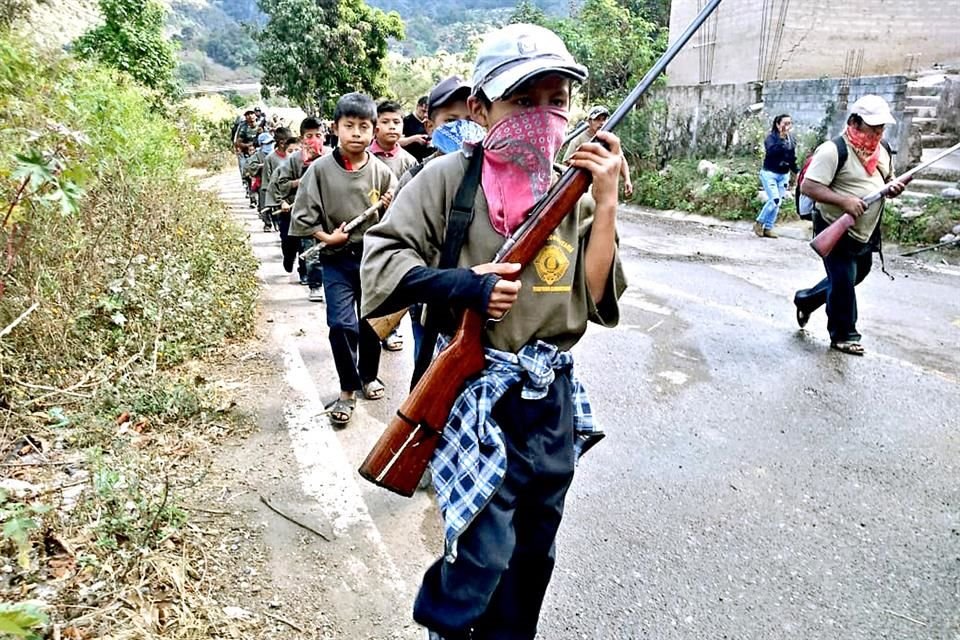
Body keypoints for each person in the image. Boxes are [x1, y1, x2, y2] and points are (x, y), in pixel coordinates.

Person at [360, 23, 626, 640]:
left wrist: (607, 200)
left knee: (535, 554)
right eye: (522, 101)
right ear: (480, 108)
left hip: (550, 399)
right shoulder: (448, 178)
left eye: (555, 101)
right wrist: (466, 286)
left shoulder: (574, 189)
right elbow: (381, 264)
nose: (542, 117)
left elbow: (594, 295)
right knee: (482, 555)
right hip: (477, 392)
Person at [290, 93, 397, 426]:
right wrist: (327, 237)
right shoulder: (319, 171)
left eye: (364, 127)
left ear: (373, 130)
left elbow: (399, 218)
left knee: (371, 323)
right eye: (348, 126)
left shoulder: (382, 172)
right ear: (335, 128)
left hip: (372, 260)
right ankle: (348, 388)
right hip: (337, 259)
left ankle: (369, 376)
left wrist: (392, 201)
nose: (356, 133)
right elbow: (304, 218)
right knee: (341, 324)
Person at [793, 95, 904, 356]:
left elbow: (889, 177)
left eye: (881, 128)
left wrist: (894, 187)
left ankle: (806, 300)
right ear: (854, 122)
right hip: (834, 226)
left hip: (864, 232)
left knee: (857, 274)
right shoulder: (833, 150)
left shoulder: (883, 149)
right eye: (872, 127)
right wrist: (843, 201)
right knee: (843, 281)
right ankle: (844, 335)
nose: (877, 133)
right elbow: (809, 186)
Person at [395, 75, 486, 365]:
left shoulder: (493, 176)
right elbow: (396, 249)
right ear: (430, 127)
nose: (463, 127)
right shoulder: (416, 177)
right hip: (431, 299)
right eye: (451, 119)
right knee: (429, 371)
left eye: (470, 118)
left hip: (483, 298)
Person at [276, 117, 326, 299]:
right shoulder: (293, 160)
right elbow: (282, 184)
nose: (314, 140)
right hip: (304, 212)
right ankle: (315, 284)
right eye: (309, 136)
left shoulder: (332, 156)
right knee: (310, 249)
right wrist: (302, 179)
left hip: (328, 212)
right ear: (302, 138)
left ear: (325, 137)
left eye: (318, 135)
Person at [562, 105, 633, 198]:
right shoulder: (577, 140)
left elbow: (621, 160)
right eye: (597, 119)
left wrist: (627, 180)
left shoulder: (610, 139)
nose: (601, 123)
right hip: (581, 186)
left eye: (604, 119)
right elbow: (565, 165)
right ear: (589, 121)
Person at [753, 114, 799, 238]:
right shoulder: (771, 138)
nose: (787, 126)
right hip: (770, 173)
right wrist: (782, 139)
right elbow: (772, 152)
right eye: (785, 123)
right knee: (774, 200)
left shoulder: (791, 139)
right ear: (778, 125)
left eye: (789, 123)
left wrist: (797, 171)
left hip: (783, 175)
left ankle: (768, 227)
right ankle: (759, 222)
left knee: (778, 203)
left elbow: (791, 157)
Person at [264, 133, 302, 272]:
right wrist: (281, 203)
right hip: (287, 212)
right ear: (284, 153)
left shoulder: (310, 168)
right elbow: (274, 188)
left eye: (297, 151)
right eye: (290, 151)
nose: (293, 154)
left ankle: (305, 272)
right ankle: (288, 257)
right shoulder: (280, 169)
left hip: (305, 213)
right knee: (288, 241)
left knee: (304, 244)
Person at [401, 96, 433, 161]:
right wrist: (414, 139)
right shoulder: (405, 121)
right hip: (409, 160)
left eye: (428, 112)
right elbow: (396, 142)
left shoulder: (431, 122)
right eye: (423, 111)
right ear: (417, 106)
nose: (425, 115)